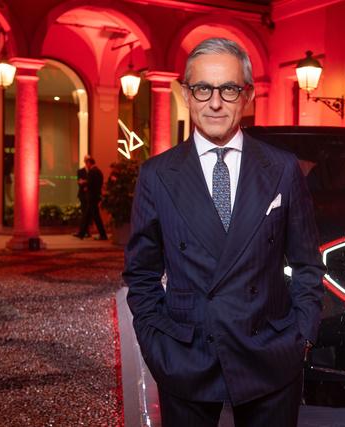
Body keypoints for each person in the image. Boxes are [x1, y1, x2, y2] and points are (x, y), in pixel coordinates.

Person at [123, 38, 324, 427]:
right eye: (203, 88)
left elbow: (307, 264)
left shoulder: (282, 168)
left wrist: (302, 336)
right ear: (186, 95)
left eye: (228, 89)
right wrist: (156, 344)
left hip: (270, 354)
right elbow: (141, 273)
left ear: (247, 96)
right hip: (186, 356)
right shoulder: (157, 175)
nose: (215, 102)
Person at [74, 156, 107, 240]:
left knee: (95, 216)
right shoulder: (99, 171)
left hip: (92, 197)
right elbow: (97, 183)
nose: (86, 165)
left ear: (89, 163)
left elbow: (90, 183)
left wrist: (84, 184)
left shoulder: (92, 172)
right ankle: (82, 233)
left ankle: (102, 234)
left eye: (86, 163)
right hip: (96, 196)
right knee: (88, 215)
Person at [75, 155, 90, 238]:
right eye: (86, 160)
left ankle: (85, 231)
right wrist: (85, 182)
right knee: (84, 213)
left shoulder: (92, 171)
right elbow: (79, 182)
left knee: (88, 214)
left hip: (90, 195)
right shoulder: (80, 171)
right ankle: (84, 231)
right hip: (82, 195)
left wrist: (85, 182)